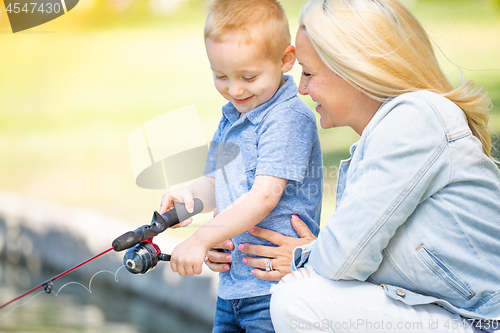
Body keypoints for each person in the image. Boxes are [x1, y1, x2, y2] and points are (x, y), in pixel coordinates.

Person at [207, 0, 500, 332]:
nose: (301, 87)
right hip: (453, 315)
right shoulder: (381, 138)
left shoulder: (415, 120)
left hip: (483, 322)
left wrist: (301, 257)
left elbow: (343, 258)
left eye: (310, 72)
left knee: (298, 298)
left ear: (353, 68)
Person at [159, 0, 323, 332]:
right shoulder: (232, 118)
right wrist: (190, 198)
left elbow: (264, 195)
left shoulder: (288, 118)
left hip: (274, 292)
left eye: (248, 76)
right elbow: (216, 183)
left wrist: (200, 239)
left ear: (285, 60)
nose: (234, 89)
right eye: (220, 76)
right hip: (232, 291)